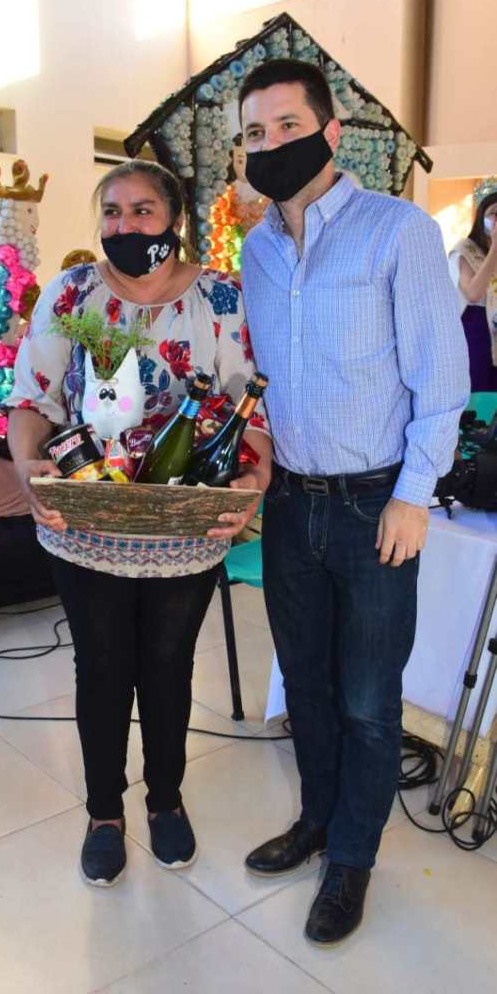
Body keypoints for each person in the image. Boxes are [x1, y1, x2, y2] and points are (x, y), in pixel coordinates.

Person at [238, 60, 470, 945]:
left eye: (287, 127)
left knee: (369, 700)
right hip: (291, 503)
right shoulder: (256, 250)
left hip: (376, 504)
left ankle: (353, 857)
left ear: (330, 133)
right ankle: (317, 819)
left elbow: (441, 383)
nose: (270, 145)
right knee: (306, 683)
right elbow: (266, 377)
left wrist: (414, 497)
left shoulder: (397, 231)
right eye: (254, 133)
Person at [6, 160, 271, 886]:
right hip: (84, 521)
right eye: (112, 212)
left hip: (184, 531)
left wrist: (254, 481)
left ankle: (165, 800)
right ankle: (103, 813)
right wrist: (27, 468)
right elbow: (31, 399)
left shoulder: (219, 297)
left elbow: (252, 407)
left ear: (174, 218)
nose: (125, 225)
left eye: (142, 210)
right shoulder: (73, 293)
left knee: (168, 666)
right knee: (100, 669)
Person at [448, 177, 497, 391]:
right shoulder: (466, 249)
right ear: (482, 218)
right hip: (477, 329)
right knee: (480, 392)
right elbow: (473, 293)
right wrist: (495, 248)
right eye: (494, 213)